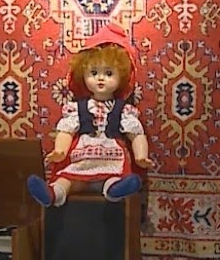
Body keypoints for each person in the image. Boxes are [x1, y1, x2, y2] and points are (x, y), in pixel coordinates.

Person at [26, 22, 154, 207]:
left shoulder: (123, 111)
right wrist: (60, 151)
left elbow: (136, 134)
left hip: (110, 161)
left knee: (113, 178)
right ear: (82, 74)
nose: (100, 78)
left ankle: (115, 190)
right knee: (66, 179)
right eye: (94, 72)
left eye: (109, 73)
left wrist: (141, 156)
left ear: (122, 77)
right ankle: (53, 194)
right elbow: (66, 131)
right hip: (81, 162)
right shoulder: (77, 109)